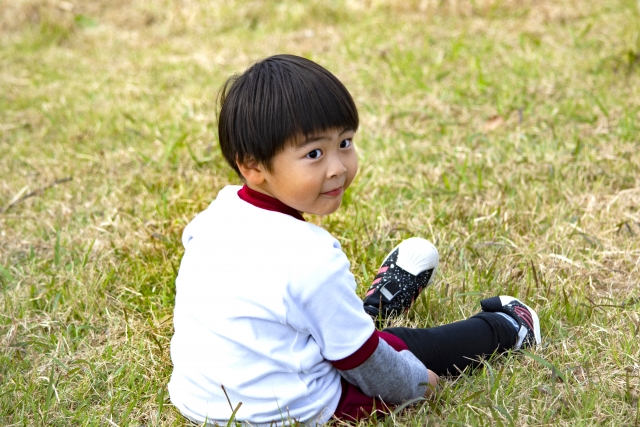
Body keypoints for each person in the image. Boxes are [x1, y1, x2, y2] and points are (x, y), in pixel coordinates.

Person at [168, 54, 542, 426]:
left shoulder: (214, 216)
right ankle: (507, 328)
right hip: (288, 410)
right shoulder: (310, 257)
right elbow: (367, 365)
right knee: (399, 347)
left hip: (200, 400)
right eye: (314, 153)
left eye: (345, 143)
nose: (338, 167)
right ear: (252, 165)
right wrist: (419, 384)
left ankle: (362, 314)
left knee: (349, 334)